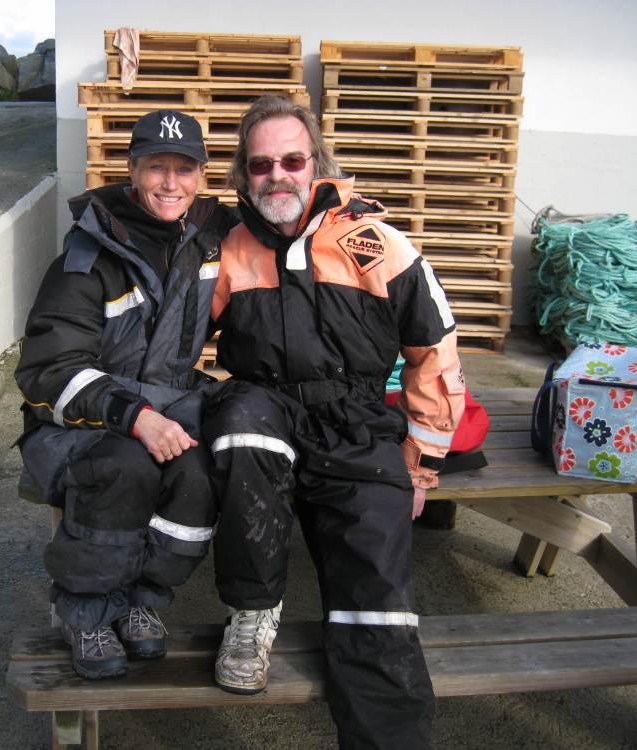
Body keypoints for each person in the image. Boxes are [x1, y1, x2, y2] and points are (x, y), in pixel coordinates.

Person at [204, 96, 466, 748]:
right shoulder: (228, 249)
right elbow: (173, 343)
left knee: (375, 596)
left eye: (292, 160)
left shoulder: (373, 243)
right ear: (244, 175)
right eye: (261, 164)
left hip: (357, 421)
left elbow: (434, 347)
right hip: (265, 405)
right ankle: (252, 613)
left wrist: (421, 460)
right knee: (241, 425)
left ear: (316, 163)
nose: (277, 176)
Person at [14, 110, 238, 680]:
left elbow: (282, 223)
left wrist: (340, 209)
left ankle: (143, 598)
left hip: (167, 406)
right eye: (156, 167)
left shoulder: (209, 238)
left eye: (184, 169)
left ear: (202, 175)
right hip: (78, 423)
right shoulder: (87, 257)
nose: (170, 183)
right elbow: (50, 370)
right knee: (125, 469)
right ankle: (87, 612)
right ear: (133, 170)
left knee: (197, 474)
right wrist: (136, 417)